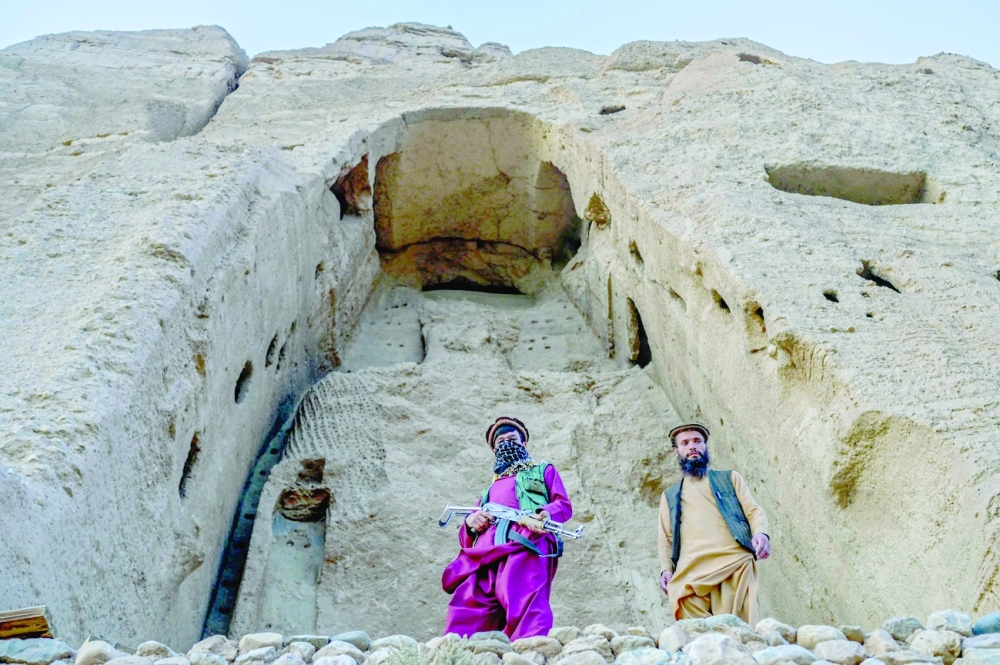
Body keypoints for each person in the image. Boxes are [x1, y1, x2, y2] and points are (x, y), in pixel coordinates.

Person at [442, 417, 572, 639]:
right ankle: (461, 651)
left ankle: (527, 651)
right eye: (500, 441)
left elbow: (563, 505)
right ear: (494, 450)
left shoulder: (542, 471)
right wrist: (470, 524)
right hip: (485, 551)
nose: (506, 443)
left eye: (512, 439)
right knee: (471, 600)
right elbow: (467, 537)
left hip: (526, 539)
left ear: (524, 444)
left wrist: (542, 515)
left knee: (523, 595)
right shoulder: (487, 491)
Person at [657, 423, 771, 626]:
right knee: (689, 614)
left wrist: (761, 534)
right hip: (690, 568)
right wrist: (666, 569)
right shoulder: (669, 496)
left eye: (697, 441)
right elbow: (665, 538)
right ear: (677, 451)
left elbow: (754, 510)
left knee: (741, 628)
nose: (692, 446)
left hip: (734, 561)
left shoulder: (729, 479)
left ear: (705, 446)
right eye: (685, 443)